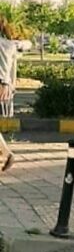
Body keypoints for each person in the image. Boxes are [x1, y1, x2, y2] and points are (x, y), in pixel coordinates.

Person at [0, 24, 18, 174]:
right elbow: (13, 69)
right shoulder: (10, 45)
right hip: (4, 85)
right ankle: (5, 152)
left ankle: (7, 153)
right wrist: (11, 86)